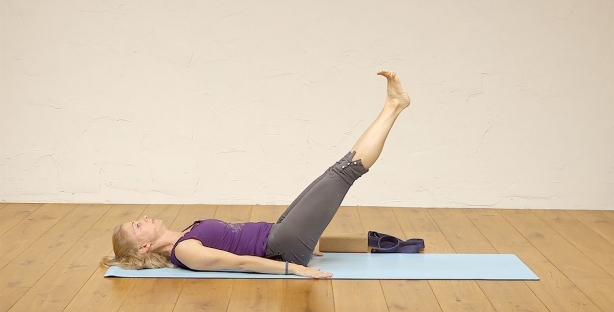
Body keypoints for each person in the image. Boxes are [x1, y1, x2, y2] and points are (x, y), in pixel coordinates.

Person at [100, 70, 411, 278]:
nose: (143, 217)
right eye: (137, 225)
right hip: (281, 243)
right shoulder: (185, 251)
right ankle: (394, 106)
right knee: (345, 172)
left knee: (336, 171)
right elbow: (241, 263)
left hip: (278, 232)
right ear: (143, 247)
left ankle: (384, 244)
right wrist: (296, 269)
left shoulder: (183, 235)